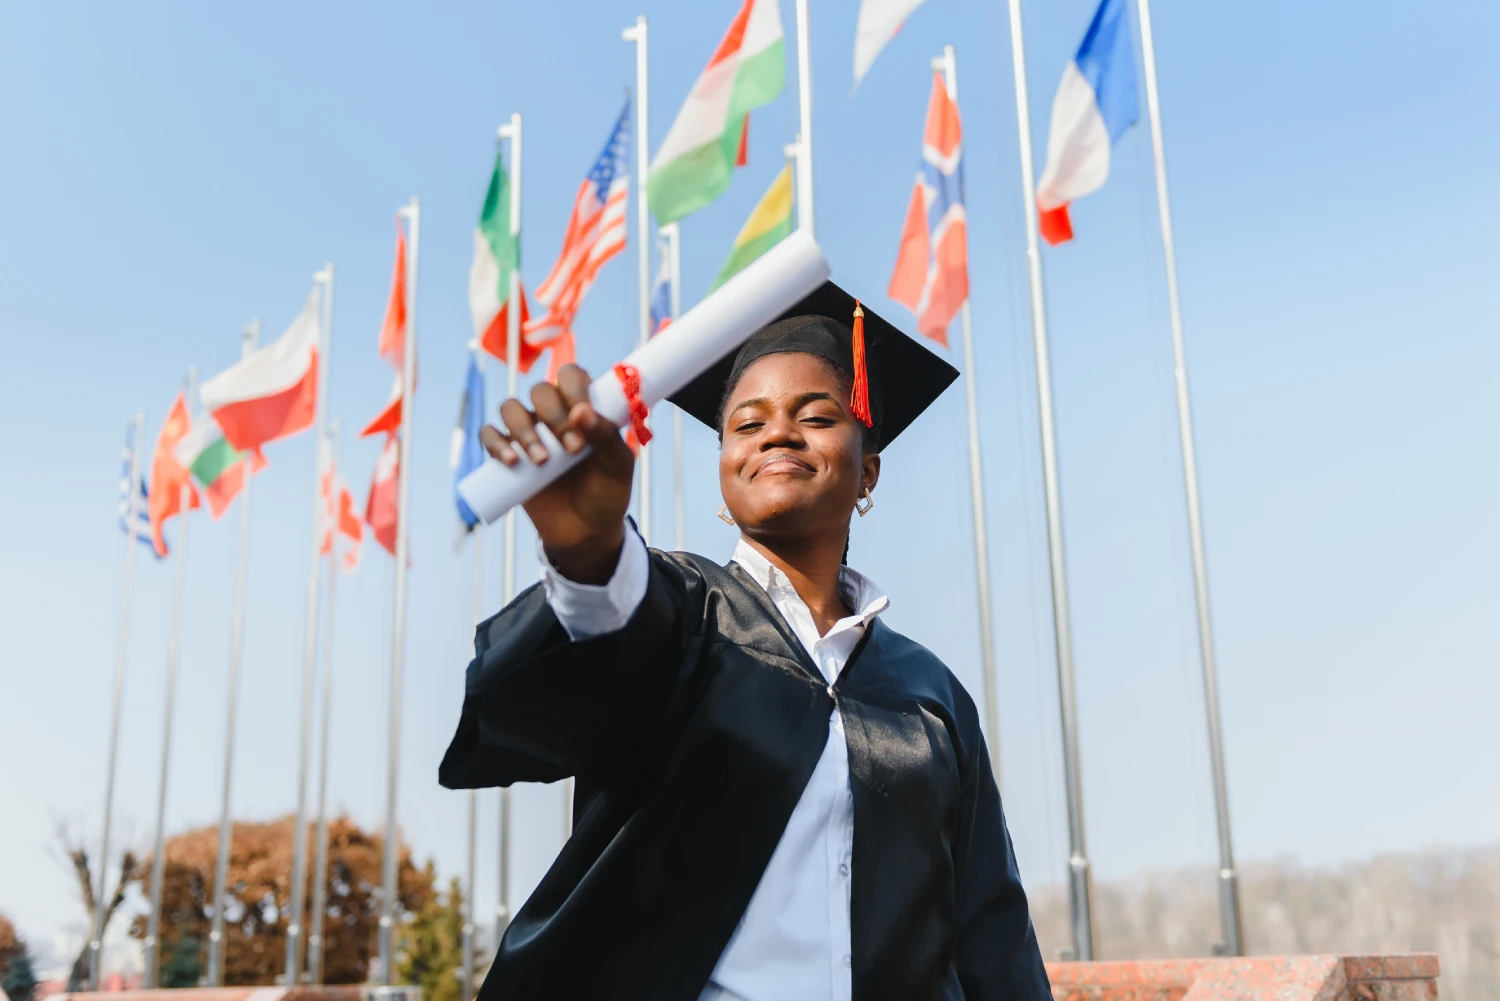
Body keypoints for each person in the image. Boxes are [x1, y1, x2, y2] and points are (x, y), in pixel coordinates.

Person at [440, 281, 1050, 1001]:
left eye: (817, 415)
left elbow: (991, 932)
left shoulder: (931, 694)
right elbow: (617, 642)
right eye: (746, 423)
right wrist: (592, 549)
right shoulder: (687, 616)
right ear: (724, 468)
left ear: (869, 472)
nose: (777, 434)